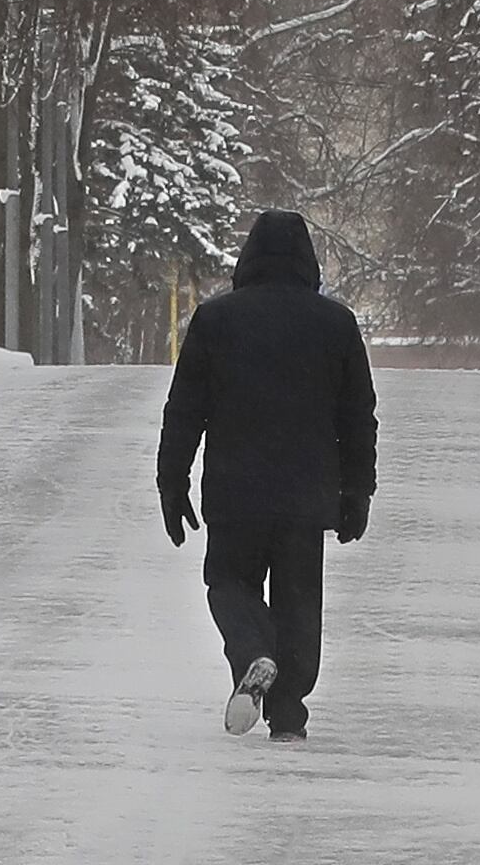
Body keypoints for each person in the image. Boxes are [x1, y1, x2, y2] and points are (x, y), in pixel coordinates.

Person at [154, 207, 377, 741]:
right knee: (299, 602)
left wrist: (172, 480)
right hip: (307, 494)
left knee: (229, 583)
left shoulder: (216, 320)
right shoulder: (335, 324)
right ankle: (289, 714)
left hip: (236, 492)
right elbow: (357, 415)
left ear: (247, 258)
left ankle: (254, 652)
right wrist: (357, 491)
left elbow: (184, 409)